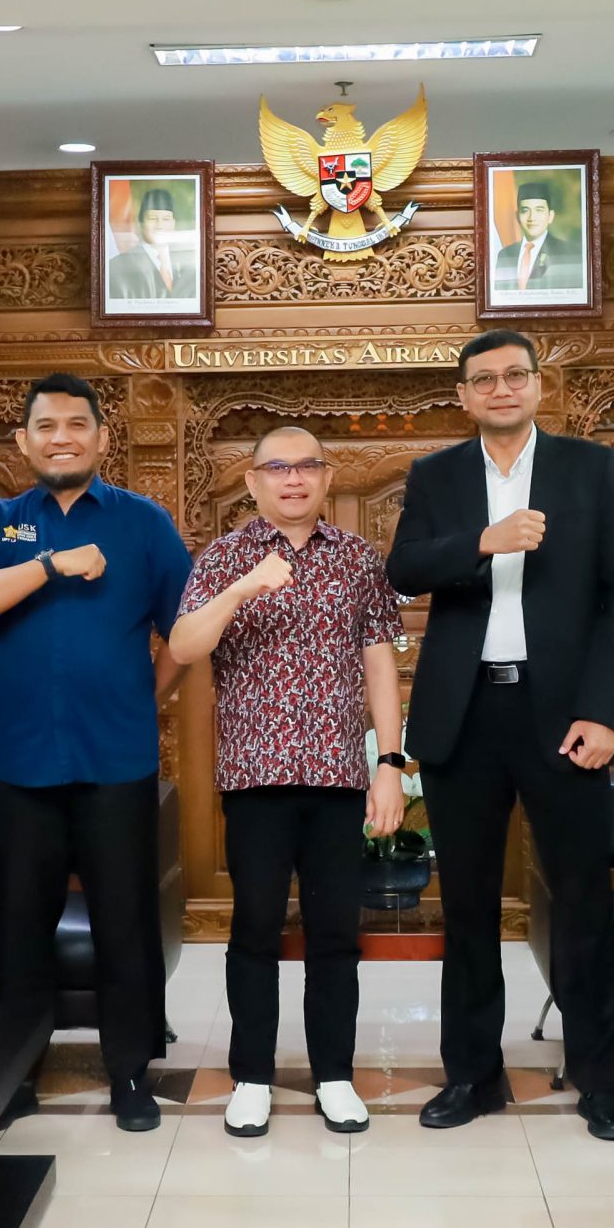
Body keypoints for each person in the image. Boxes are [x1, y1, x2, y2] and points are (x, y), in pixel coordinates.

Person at [386, 330, 614, 1140]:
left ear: (538, 386)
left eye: (515, 376)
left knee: (580, 903)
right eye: (483, 379)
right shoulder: (437, 475)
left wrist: (605, 712)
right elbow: (403, 570)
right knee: (466, 909)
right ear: (463, 395)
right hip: (464, 718)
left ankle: (599, 1078)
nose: (500, 389)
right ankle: (472, 1076)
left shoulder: (588, 468)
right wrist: (480, 544)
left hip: (565, 715)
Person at [0, 373, 192, 1132]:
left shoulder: (144, 523)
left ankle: (128, 1074)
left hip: (118, 762)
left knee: (126, 921)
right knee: (18, 926)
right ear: (23, 441)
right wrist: (51, 564)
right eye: (45, 426)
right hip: (22, 765)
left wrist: (146, 692)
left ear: (102, 438)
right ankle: (12, 1074)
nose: (62, 437)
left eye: (76, 425)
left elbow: (185, 628)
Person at [168, 425, 407, 1138]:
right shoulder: (225, 557)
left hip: (337, 776)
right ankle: (252, 1076)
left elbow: (380, 665)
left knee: (337, 933)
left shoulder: (359, 560)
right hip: (256, 779)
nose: (294, 479)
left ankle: (335, 1075)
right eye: (278, 468)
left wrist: (389, 765)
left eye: (307, 467)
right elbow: (184, 646)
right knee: (255, 931)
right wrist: (243, 587)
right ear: (253, 482)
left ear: (327, 478)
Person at [105, 187, 198, 308]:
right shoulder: (117, 266)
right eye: (153, 219)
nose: (160, 225)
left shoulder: (190, 261)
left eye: (166, 219)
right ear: (140, 223)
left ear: (173, 223)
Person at [490, 180, 584, 300]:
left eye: (539, 210)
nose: (532, 217)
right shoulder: (505, 254)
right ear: (517, 216)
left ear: (550, 216)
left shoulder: (568, 253)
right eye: (525, 210)